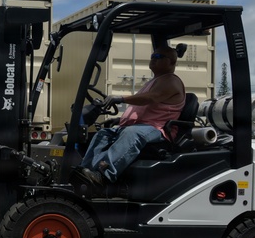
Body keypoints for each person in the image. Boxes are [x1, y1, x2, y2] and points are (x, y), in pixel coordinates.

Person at [74, 45, 186, 186]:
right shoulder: (155, 80)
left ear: (172, 62)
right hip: (142, 126)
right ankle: (85, 170)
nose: (153, 59)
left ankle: (103, 175)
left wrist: (121, 98)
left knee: (132, 133)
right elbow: (144, 109)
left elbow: (150, 98)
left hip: (157, 129)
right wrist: (119, 119)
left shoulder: (171, 81)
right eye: (152, 56)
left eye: (158, 57)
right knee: (103, 134)